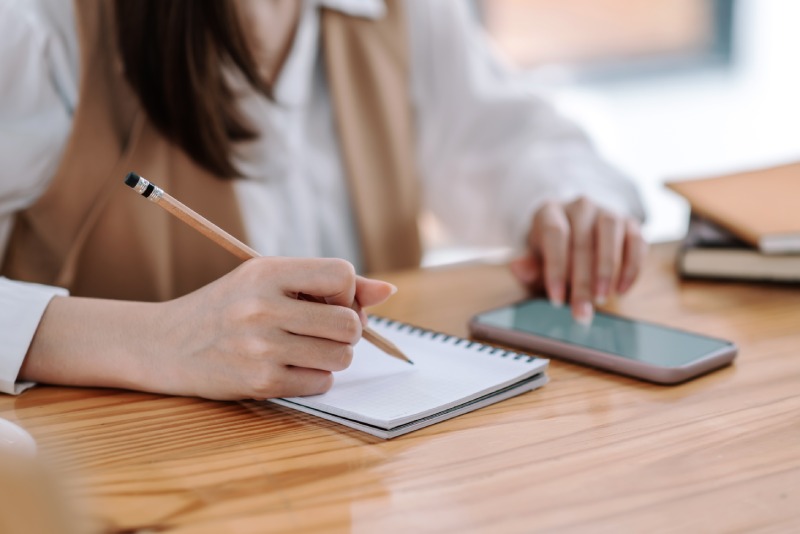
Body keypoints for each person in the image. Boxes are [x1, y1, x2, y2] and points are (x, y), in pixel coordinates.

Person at [0, 0, 646, 400]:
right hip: (124, 476)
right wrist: (157, 341)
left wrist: (559, 200)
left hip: (357, 475)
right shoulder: (35, 24)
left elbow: (509, 139)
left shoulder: (401, 9)